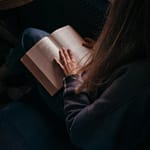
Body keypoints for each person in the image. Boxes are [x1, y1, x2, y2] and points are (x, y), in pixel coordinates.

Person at [0, 0, 150, 150]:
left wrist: (72, 78)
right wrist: (109, 54)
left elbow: (80, 131)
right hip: (99, 87)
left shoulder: (137, 80)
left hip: (82, 104)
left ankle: (7, 80)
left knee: (30, 37)